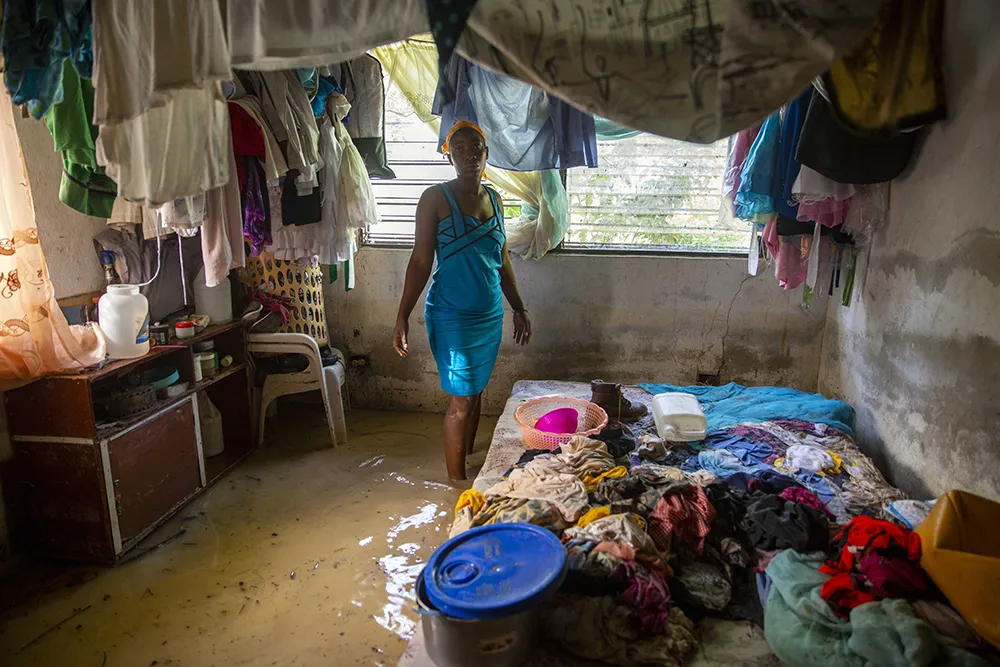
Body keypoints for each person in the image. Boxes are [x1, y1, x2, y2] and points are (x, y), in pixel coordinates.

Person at [393, 121, 531, 481]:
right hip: (451, 317)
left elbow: (502, 261)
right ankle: (456, 486)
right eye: (460, 148)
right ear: (449, 155)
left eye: (477, 147)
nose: (469, 154)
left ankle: (469, 456)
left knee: (477, 390)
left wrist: (518, 307)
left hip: (488, 316)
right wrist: (402, 315)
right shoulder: (435, 199)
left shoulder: (496, 200)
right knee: (462, 400)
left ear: (487, 153)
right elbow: (421, 261)